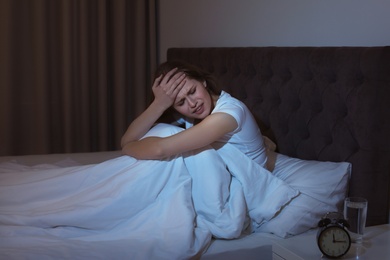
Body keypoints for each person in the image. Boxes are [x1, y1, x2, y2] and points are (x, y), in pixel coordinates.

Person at [121, 60, 268, 167]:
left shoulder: (227, 114)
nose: (192, 104)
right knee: (159, 131)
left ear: (203, 81)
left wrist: (128, 146)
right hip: (226, 175)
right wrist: (158, 104)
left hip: (250, 183)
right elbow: (131, 136)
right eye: (180, 103)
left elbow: (160, 149)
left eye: (192, 91)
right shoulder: (187, 115)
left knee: (166, 139)